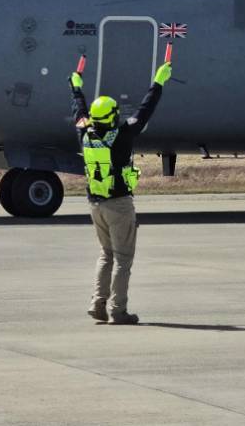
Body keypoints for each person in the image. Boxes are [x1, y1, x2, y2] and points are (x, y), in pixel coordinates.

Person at [70, 61, 171, 325]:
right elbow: (145, 111)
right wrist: (158, 83)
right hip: (119, 204)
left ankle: (98, 303)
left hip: (95, 204)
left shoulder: (85, 133)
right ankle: (118, 310)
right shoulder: (122, 135)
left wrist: (76, 88)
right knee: (123, 259)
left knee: (106, 254)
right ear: (113, 116)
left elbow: (79, 111)